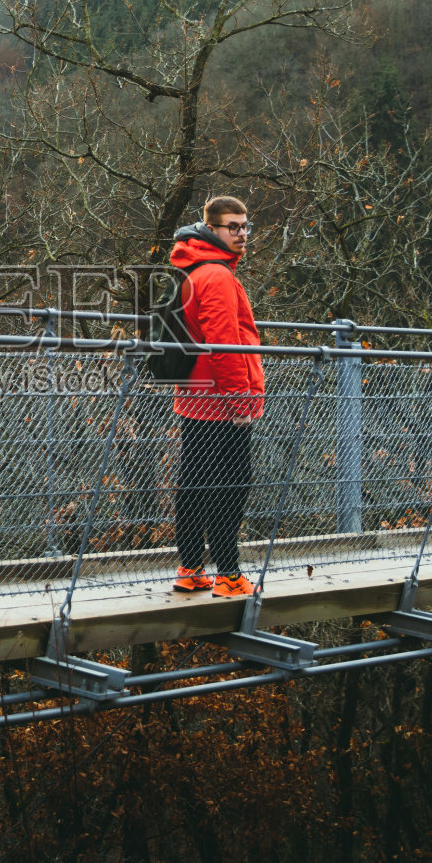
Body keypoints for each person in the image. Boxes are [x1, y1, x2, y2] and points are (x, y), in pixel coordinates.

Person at [167, 195, 265, 598]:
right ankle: (229, 575)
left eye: (245, 226)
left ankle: (190, 568)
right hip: (223, 402)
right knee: (231, 486)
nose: (242, 234)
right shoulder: (217, 276)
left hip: (196, 394)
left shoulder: (192, 268)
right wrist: (241, 402)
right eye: (233, 227)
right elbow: (225, 345)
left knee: (194, 481)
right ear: (211, 229)